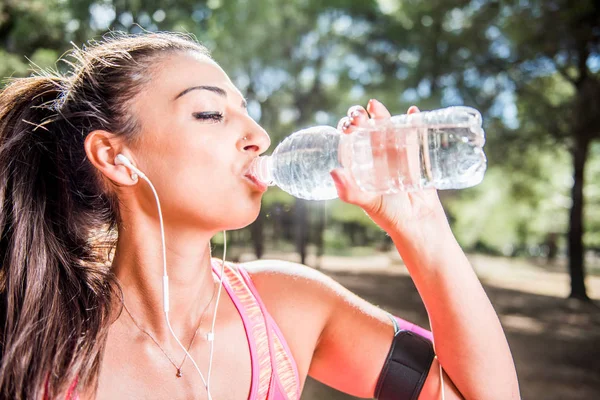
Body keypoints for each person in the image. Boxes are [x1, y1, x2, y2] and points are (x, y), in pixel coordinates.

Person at [0, 32, 520, 400]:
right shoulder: (30, 336)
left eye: (247, 109)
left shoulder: (290, 307)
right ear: (117, 157)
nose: (259, 136)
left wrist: (422, 227)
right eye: (210, 113)